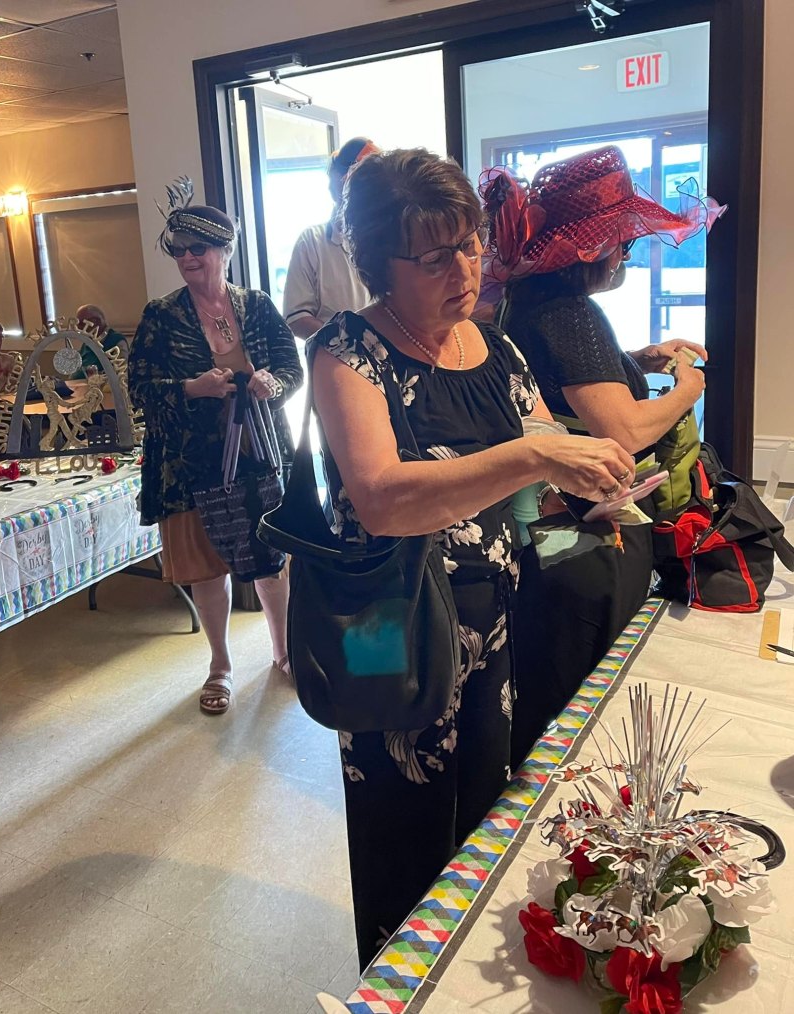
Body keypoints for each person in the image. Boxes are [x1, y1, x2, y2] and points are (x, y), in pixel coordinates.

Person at [309, 147, 635, 967]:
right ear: (379, 266)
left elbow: (538, 472)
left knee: (485, 817)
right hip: (389, 628)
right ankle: (398, 984)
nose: (463, 269)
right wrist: (534, 456)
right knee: (401, 827)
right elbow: (382, 498)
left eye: (470, 244)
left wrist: (585, 484)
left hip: (491, 624)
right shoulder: (348, 351)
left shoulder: (496, 349)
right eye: (434, 257)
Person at [479, 145, 724, 759]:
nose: (628, 253)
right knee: (581, 696)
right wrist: (688, 390)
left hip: (541, 527)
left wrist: (636, 360)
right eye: (624, 240)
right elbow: (625, 430)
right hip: (581, 532)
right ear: (592, 247)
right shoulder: (573, 314)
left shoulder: (527, 301)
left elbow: (565, 383)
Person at [129, 192, 303, 715]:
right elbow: (140, 389)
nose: (187, 257)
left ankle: (284, 652)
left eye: (198, 248)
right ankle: (220, 665)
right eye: (178, 248)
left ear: (225, 250)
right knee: (208, 569)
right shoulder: (160, 315)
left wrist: (273, 383)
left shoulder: (258, 306)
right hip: (192, 464)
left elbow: (291, 369)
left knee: (272, 560)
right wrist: (192, 388)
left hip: (260, 454)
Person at [283, 137, 379, 340]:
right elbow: (297, 319)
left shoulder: (391, 239)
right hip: (333, 357)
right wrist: (352, 342)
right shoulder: (312, 242)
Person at [73, 304, 128, 377]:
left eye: (82, 324)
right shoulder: (87, 342)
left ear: (96, 321)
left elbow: (122, 372)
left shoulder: (116, 341)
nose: (78, 328)